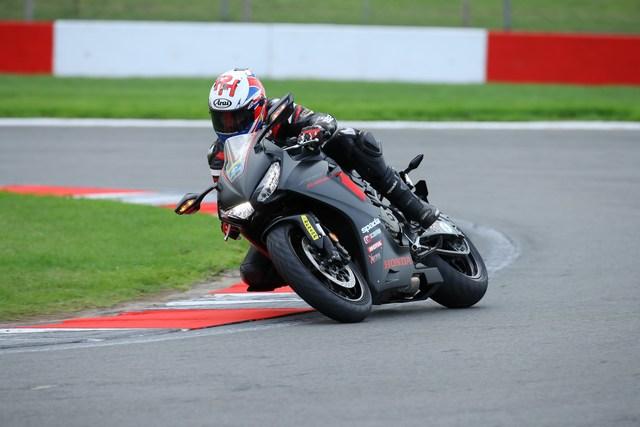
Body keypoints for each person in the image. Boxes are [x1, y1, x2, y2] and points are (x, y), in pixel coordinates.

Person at [207, 68, 439, 291]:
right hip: (273, 200)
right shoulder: (218, 155)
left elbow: (323, 119)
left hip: (315, 172)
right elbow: (226, 189)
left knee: (350, 139)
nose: (229, 125)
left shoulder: (279, 112)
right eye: (221, 119)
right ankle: (318, 273)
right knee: (253, 273)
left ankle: (416, 208)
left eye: (236, 117)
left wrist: (315, 129)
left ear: (257, 107)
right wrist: (228, 219)